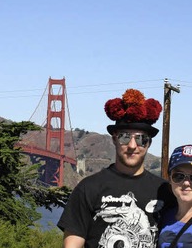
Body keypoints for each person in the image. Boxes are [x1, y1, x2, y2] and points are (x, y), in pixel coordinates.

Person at [58, 89, 175, 248]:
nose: (133, 146)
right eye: (125, 137)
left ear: (148, 144)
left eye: (141, 139)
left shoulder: (165, 191)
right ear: (114, 139)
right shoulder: (88, 188)